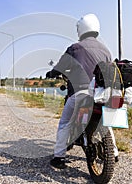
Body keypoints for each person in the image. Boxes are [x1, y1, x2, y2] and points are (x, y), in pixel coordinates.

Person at [46, 13, 114, 169]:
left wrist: (52, 73)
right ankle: (114, 153)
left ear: (81, 29)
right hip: (100, 93)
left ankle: (59, 156)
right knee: (107, 121)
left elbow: (60, 67)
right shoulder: (106, 50)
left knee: (65, 123)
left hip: (80, 92)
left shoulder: (75, 48)